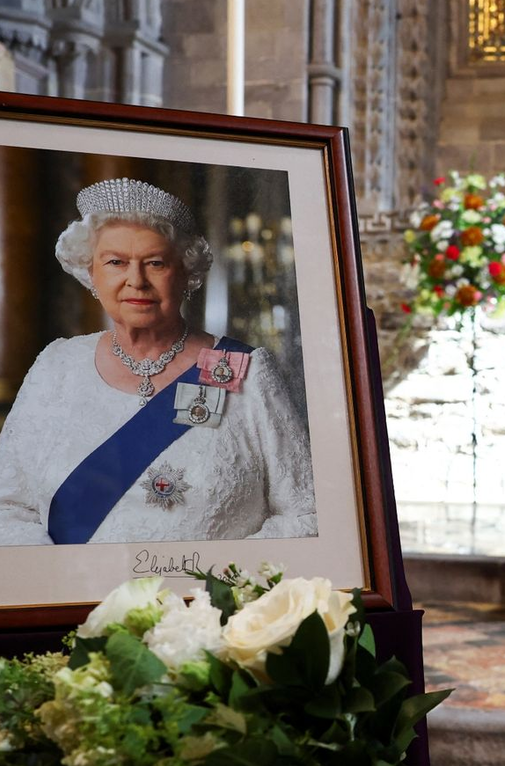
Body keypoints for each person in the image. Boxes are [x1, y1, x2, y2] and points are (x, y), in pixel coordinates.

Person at [0, 177, 317, 545]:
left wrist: (214, 588)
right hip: (78, 599)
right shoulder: (56, 367)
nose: (136, 280)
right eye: (116, 262)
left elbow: (305, 512)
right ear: (92, 273)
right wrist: (64, 583)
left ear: (187, 273)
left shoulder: (245, 370)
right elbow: (8, 506)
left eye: (155, 263)